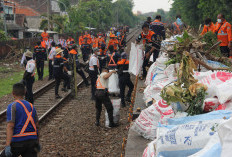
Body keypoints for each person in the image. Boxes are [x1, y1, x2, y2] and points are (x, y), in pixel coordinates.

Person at [0, 83, 40, 157]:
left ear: (13, 93)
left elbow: (10, 126)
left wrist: (8, 145)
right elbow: (37, 126)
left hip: (18, 142)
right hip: (32, 141)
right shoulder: (31, 106)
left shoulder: (12, 106)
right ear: (25, 92)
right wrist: (37, 142)